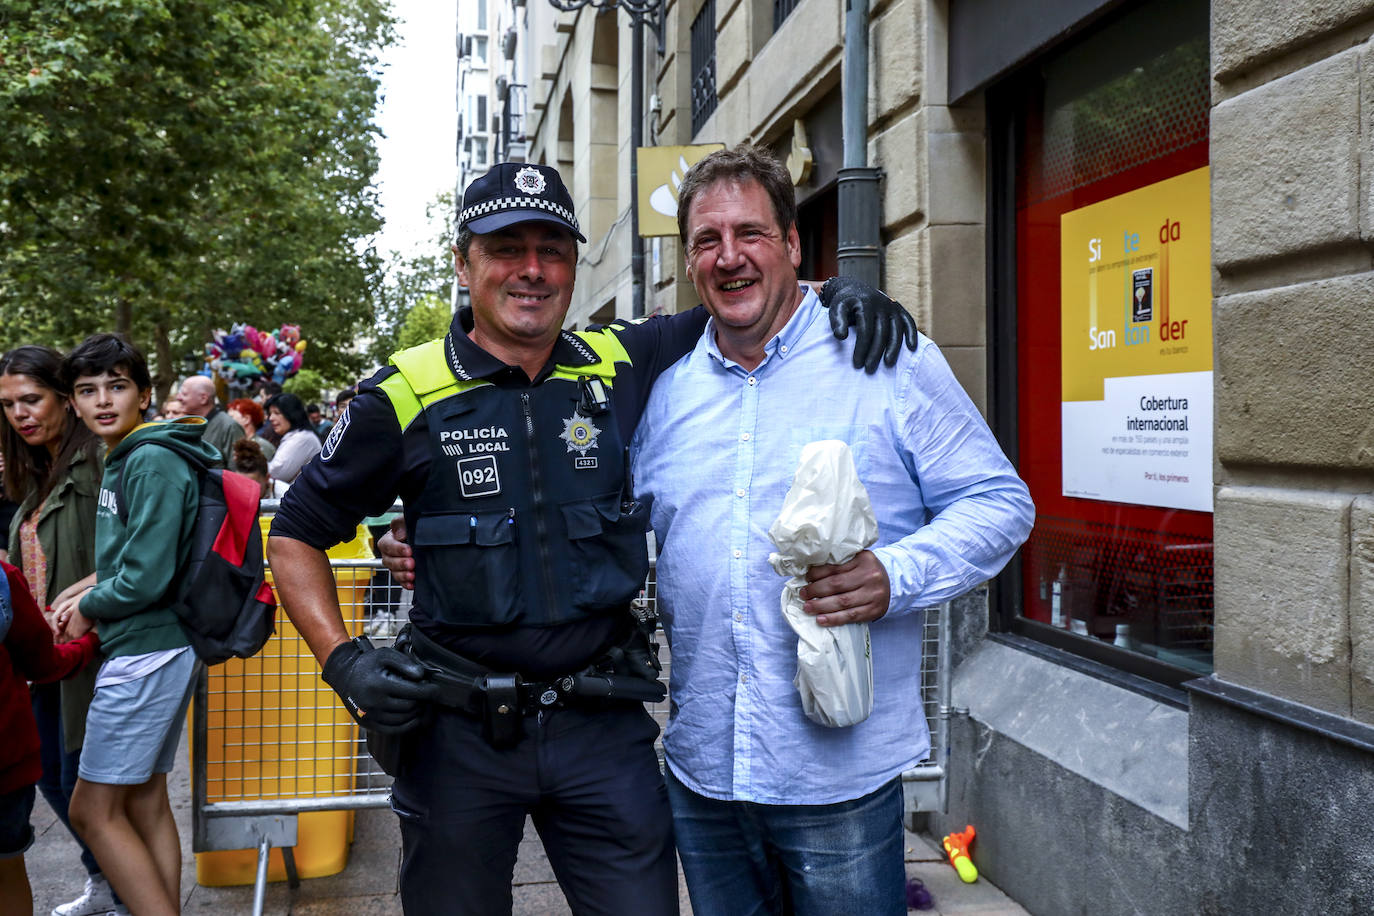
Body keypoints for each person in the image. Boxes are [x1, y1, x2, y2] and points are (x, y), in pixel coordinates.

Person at [268, 159, 911, 916]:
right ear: (464, 261)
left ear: (574, 264)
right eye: (508, 248)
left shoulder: (622, 360)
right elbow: (295, 534)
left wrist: (834, 292)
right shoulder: (400, 394)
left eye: (553, 250)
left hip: (600, 729)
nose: (532, 271)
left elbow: (741, 291)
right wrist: (343, 661)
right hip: (457, 736)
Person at [626, 145, 1036, 915]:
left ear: (792, 244)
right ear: (688, 262)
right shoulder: (663, 395)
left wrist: (895, 575)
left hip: (837, 783)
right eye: (707, 240)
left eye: (750, 233)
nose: (729, 256)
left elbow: (999, 502)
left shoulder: (886, 359)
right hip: (705, 774)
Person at [51, 333, 216, 916]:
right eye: (87, 390)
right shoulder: (128, 456)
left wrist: (88, 608)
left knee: (89, 811)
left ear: (145, 395)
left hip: (147, 650)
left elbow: (145, 578)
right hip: (155, 648)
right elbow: (122, 563)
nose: (102, 401)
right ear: (73, 401)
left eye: (117, 387)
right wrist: (78, 594)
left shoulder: (149, 460)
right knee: (144, 800)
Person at [0, 345, 118, 916]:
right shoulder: (36, 470)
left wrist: (89, 594)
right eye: (9, 404)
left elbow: (137, 545)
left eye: (32, 399)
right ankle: (105, 882)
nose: (21, 413)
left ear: (64, 400)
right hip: (45, 656)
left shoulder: (97, 459)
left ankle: (125, 891)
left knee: (82, 784)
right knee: (51, 776)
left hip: (93, 654)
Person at [0, 561, 99, 916]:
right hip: (6, 763)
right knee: (7, 871)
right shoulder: (3, 579)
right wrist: (89, 643)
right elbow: (42, 665)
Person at [176, 375, 243, 459]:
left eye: (184, 394)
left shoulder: (228, 426)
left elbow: (240, 469)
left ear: (203, 398)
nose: (178, 398)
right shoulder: (185, 425)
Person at [263, 392, 321, 487]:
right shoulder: (296, 436)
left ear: (292, 414)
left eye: (277, 413)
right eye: (270, 414)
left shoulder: (302, 438)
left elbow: (276, 473)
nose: (271, 418)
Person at [226, 398, 277, 466]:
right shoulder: (232, 443)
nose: (227, 422)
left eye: (231, 417)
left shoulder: (262, 446)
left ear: (247, 419)